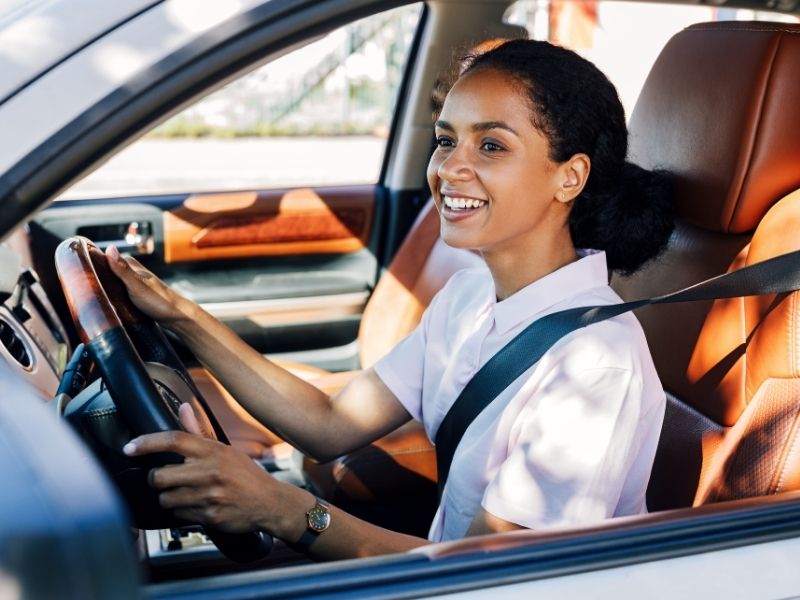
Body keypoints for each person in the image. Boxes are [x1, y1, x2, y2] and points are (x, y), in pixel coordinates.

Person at [111, 38, 674, 560]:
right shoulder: (469, 296)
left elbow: (490, 574)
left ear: (570, 177)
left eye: (492, 145)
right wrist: (178, 314)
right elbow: (329, 423)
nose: (449, 168)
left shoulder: (595, 362)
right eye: (446, 139)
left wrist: (281, 507)